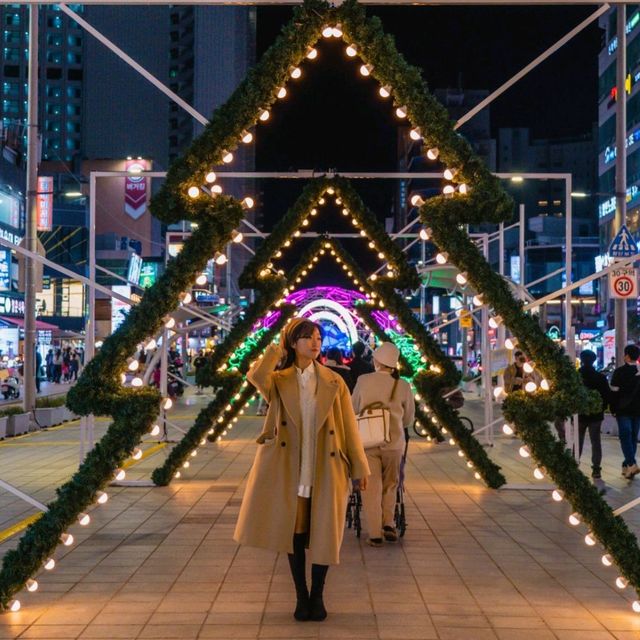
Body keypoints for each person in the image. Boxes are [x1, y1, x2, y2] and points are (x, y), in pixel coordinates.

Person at [234, 318, 369, 622]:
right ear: (293, 343)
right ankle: (300, 595)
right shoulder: (278, 380)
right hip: (291, 469)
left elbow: (349, 428)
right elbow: (255, 376)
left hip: (326, 465)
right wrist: (274, 348)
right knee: (293, 534)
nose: (315, 342)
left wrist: (359, 468)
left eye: (318, 337)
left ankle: (318, 595)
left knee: (324, 533)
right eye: (307, 337)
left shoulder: (335, 382)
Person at [351, 342, 414, 547]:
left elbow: (353, 408)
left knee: (371, 488)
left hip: (368, 441)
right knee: (391, 484)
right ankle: (389, 522)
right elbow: (409, 419)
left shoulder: (363, 380)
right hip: (394, 443)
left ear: (377, 361)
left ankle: (375, 533)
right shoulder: (403, 385)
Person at [577, 350, 610, 479]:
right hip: (596, 414)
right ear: (594, 360)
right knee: (595, 441)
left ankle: (574, 465)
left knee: (578, 440)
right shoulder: (600, 377)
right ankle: (596, 469)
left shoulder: (576, 376)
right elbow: (606, 395)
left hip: (580, 413)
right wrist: (602, 407)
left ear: (581, 359)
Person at [610, 344, 640, 479]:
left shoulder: (619, 372)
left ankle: (630, 464)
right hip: (637, 410)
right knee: (632, 437)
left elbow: (614, 393)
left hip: (623, 410)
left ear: (626, 356)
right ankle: (628, 465)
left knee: (626, 437)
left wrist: (613, 408)